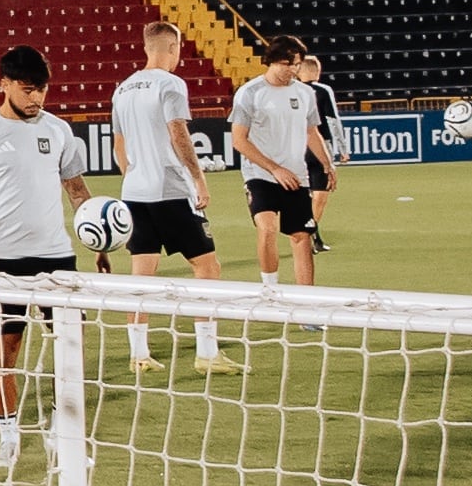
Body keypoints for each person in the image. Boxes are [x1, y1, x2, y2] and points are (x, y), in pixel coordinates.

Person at [0, 48, 88, 470]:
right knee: (4, 350)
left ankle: (66, 435)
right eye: (28, 91)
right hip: (5, 261)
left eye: (42, 90)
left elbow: (76, 189)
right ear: (3, 84)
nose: (37, 100)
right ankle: (8, 435)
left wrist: (98, 242)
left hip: (58, 258)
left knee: (71, 350)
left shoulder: (60, 130)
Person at [107, 22, 223, 373]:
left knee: (142, 276)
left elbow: (119, 146)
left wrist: (134, 179)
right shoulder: (171, 84)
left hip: (135, 193)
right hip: (170, 190)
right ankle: (207, 352)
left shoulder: (122, 89)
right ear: (173, 47)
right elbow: (179, 134)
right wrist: (199, 180)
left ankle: (138, 354)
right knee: (206, 267)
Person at [227, 36, 330, 305]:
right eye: (289, 64)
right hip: (260, 174)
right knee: (268, 227)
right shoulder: (249, 93)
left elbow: (312, 132)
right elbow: (239, 140)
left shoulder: (305, 93)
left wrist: (327, 164)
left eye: (297, 65)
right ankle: (270, 291)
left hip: (297, 175)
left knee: (301, 236)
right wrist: (274, 169)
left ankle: (307, 302)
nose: (294, 70)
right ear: (272, 61)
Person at [297, 51, 344, 248]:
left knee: (303, 194)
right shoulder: (323, 90)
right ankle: (310, 234)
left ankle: (307, 235)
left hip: (296, 148)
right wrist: (342, 147)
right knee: (320, 194)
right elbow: (333, 120)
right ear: (317, 71)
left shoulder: (292, 90)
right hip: (320, 145)